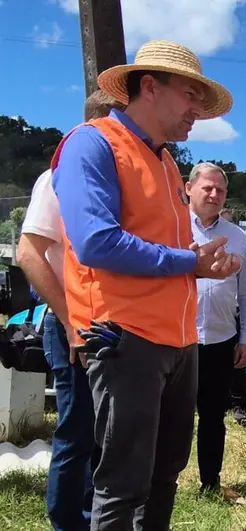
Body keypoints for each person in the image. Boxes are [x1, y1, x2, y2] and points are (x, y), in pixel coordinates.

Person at [51, 40, 241, 530]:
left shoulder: (166, 162)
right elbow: (96, 242)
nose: (197, 110)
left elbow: (171, 252)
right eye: (190, 96)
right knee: (123, 483)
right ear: (150, 87)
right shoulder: (92, 143)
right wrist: (188, 263)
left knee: (165, 475)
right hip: (126, 338)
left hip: (180, 343)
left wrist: (203, 267)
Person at [16, 90, 124, 531]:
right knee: (76, 432)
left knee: (104, 433)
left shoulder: (114, 180)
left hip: (109, 326)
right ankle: (67, 522)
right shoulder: (58, 177)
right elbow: (28, 253)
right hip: (73, 327)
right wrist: (71, 321)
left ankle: (92, 514)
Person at [187, 162, 246, 494]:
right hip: (177, 339)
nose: (214, 194)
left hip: (220, 341)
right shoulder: (172, 227)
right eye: (207, 187)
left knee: (213, 418)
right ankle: (162, 482)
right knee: (170, 417)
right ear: (189, 189)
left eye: (220, 189)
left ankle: (210, 483)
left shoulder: (237, 237)